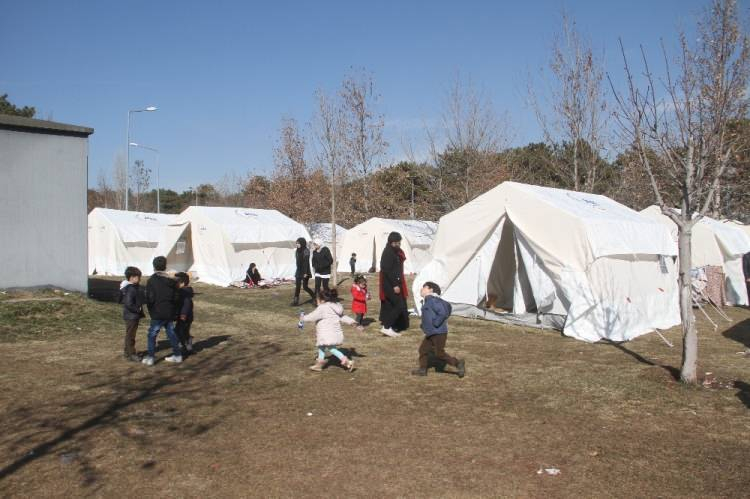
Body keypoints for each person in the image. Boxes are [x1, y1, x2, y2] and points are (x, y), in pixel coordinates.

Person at [411, 282, 465, 378]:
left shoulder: (433, 300)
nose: (421, 289)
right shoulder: (428, 301)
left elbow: (443, 313)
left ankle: (458, 363)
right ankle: (422, 369)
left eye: (424, 287)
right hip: (431, 332)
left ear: (431, 290)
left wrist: (435, 323)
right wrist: (424, 326)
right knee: (423, 350)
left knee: (439, 354)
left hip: (438, 332)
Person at [302, 289, 356, 372]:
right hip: (333, 332)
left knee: (331, 348)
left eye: (317, 299)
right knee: (321, 346)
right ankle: (319, 364)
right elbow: (343, 317)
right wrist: (352, 322)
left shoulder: (323, 308)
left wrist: (303, 318)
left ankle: (347, 362)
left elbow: (313, 316)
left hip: (326, 333)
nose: (316, 301)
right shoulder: (335, 307)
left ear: (322, 300)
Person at [142, 256, 183, 366]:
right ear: (165, 266)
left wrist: (151, 309)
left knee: (152, 335)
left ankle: (151, 357)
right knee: (171, 333)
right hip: (169, 311)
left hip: (157, 312)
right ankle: (178, 355)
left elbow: (149, 297)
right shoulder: (171, 281)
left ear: (154, 266)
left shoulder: (152, 280)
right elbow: (176, 296)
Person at [379, 231, 409, 337]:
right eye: (396, 243)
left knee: (392, 306)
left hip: (394, 282)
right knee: (399, 305)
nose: (398, 245)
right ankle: (386, 327)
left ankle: (389, 326)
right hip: (389, 284)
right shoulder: (388, 252)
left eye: (399, 242)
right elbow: (387, 270)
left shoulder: (394, 251)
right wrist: (395, 285)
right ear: (391, 242)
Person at [119, 266, 144, 362]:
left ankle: (127, 352)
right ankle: (132, 353)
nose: (140, 279)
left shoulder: (131, 287)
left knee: (130, 334)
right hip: (131, 316)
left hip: (131, 315)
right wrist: (137, 309)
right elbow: (128, 303)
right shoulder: (131, 289)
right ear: (132, 277)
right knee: (131, 335)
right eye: (138, 277)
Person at [174, 272, 194, 355]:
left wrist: (183, 315)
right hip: (187, 316)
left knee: (179, 331)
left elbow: (186, 304)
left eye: (176, 282)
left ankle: (183, 347)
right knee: (184, 332)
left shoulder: (184, 293)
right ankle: (188, 347)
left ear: (182, 283)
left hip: (184, 317)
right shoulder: (185, 291)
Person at [291, 237, 315, 306]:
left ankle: (314, 297)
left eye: (298, 243)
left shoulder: (306, 250)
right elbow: (297, 261)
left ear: (302, 243)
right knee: (297, 286)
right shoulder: (297, 251)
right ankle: (295, 301)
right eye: (296, 243)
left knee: (305, 287)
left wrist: (305, 272)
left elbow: (306, 262)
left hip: (305, 270)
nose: (297, 245)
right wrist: (298, 270)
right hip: (298, 271)